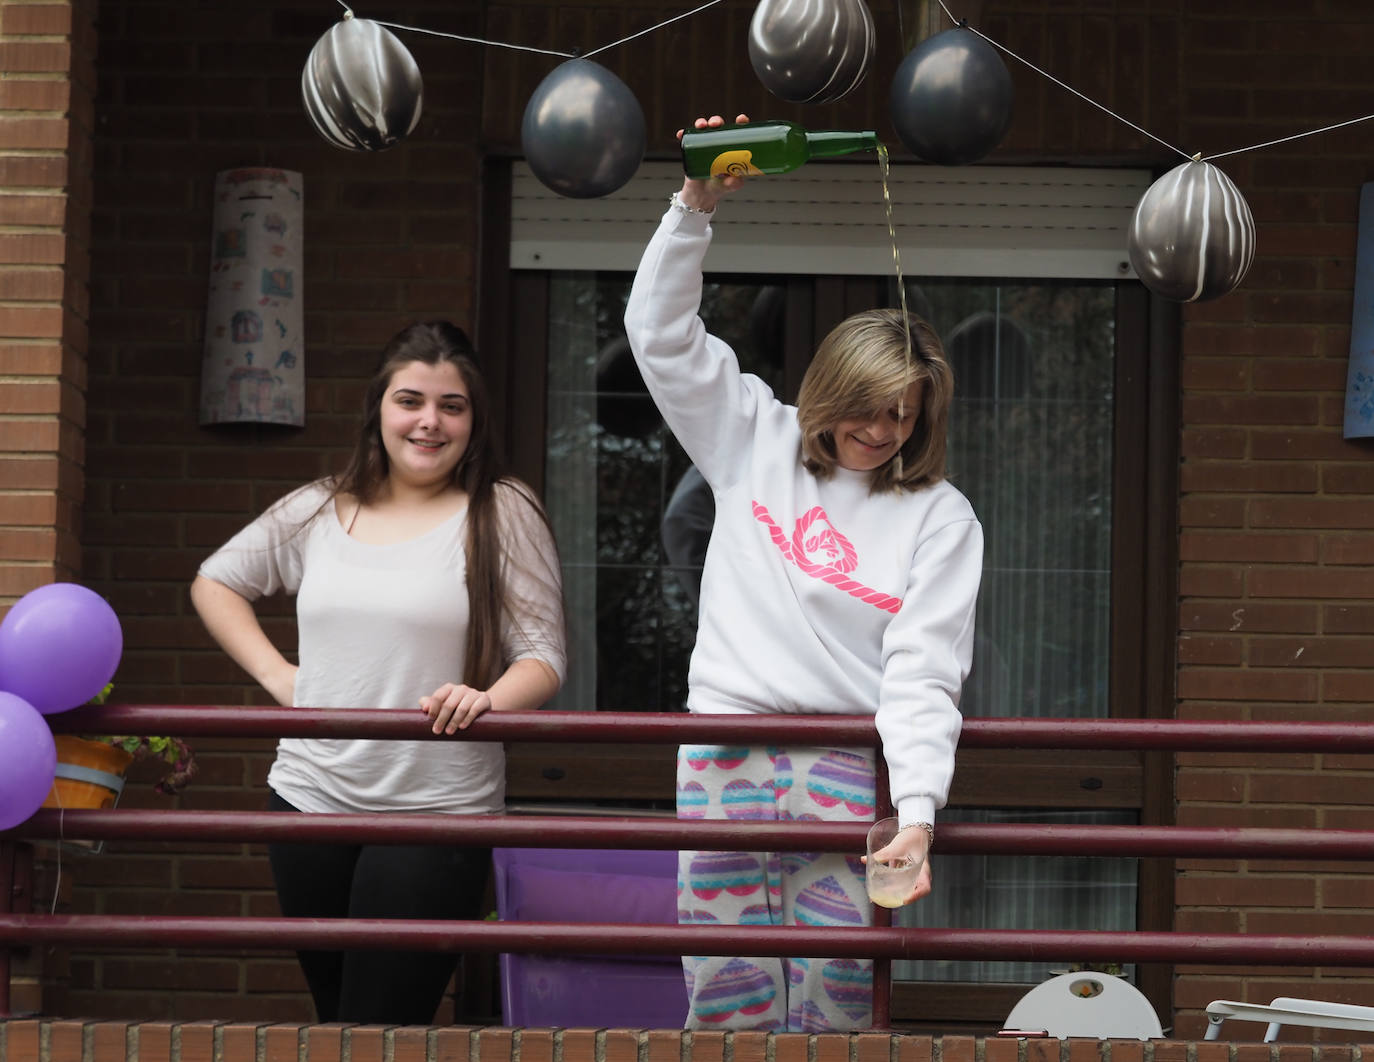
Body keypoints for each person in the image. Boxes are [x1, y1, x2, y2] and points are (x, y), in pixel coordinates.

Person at [623, 115, 984, 1032]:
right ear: (827, 391)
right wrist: (695, 202)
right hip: (722, 750)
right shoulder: (752, 436)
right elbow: (659, 334)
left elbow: (924, 672)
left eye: (903, 416)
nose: (880, 432)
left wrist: (915, 810)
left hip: (840, 758)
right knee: (726, 988)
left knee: (834, 994)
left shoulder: (939, 516)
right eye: (864, 409)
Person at [190, 320, 566, 1025]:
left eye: (451, 406)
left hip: (435, 812)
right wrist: (278, 676)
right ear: (380, 409)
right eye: (411, 400)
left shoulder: (501, 510)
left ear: (474, 419)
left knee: (381, 1027)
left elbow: (545, 656)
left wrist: (485, 696)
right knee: (339, 1020)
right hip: (308, 801)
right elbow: (217, 582)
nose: (429, 421)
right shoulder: (321, 507)